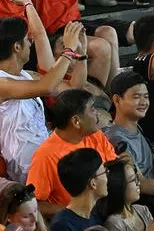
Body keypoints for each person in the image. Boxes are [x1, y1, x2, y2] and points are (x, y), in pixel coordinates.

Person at [0, 17, 87, 183]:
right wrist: (68, 50)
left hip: (46, 153)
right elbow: (46, 87)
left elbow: (73, 89)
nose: (30, 43)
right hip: (26, 165)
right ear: (17, 47)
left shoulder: (27, 76)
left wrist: (81, 55)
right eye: (27, 39)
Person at [27, 89, 118, 217]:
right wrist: (75, 212)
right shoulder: (44, 156)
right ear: (76, 121)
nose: (97, 113)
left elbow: (115, 166)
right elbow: (35, 204)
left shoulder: (95, 135)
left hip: (109, 210)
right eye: (92, 109)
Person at [103, 72, 154, 199]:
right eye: (136, 97)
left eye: (146, 97)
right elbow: (139, 184)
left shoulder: (136, 127)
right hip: (145, 200)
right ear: (117, 100)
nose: (144, 102)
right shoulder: (115, 139)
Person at [49, 148, 107, 231]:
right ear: (93, 183)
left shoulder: (95, 214)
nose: (107, 178)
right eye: (105, 172)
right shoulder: (63, 226)